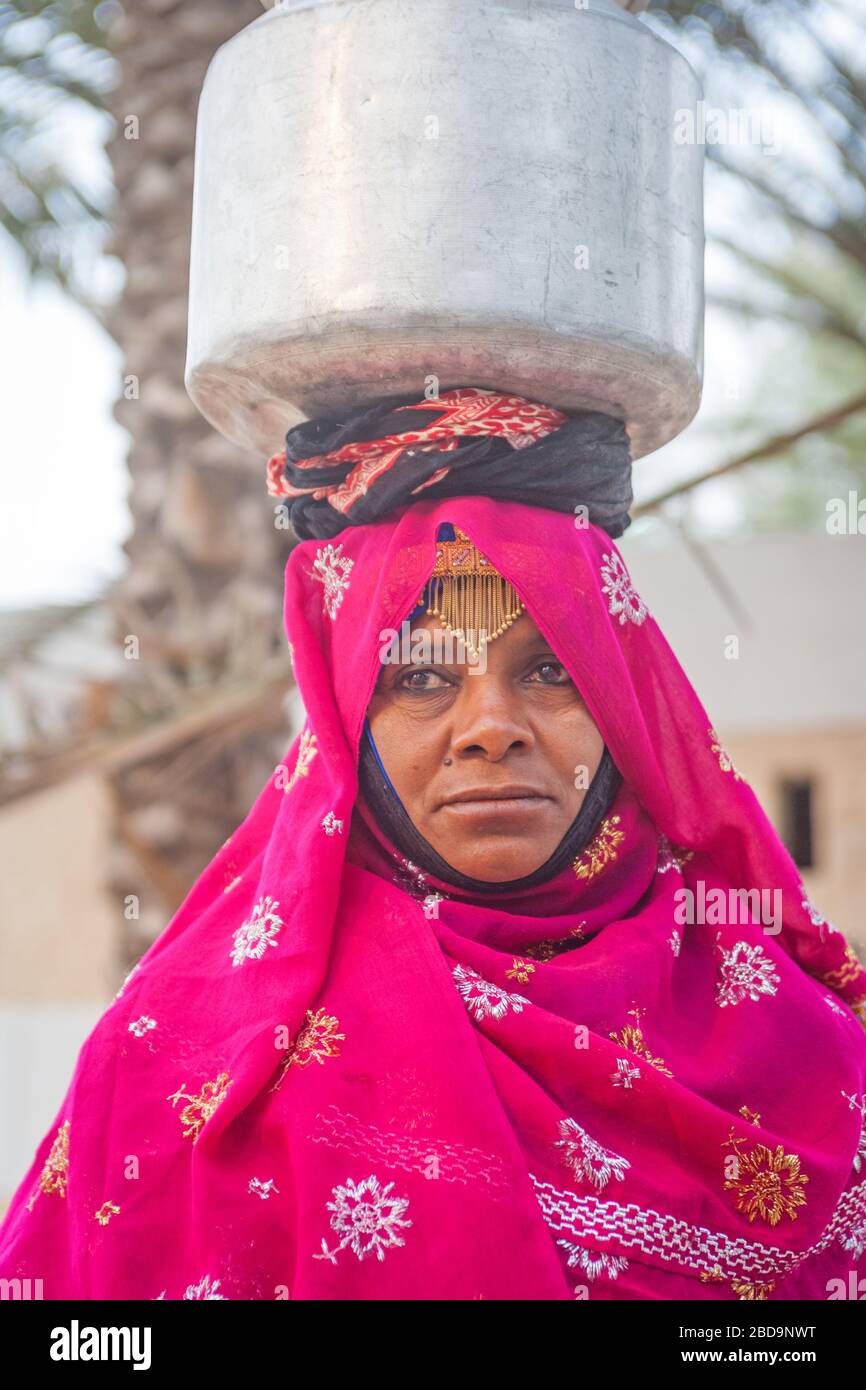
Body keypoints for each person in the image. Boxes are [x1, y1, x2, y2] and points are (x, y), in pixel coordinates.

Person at [1, 388, 865, 1301]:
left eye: (551, 669)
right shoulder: (176, 1074)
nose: (491, 728)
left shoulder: (809, 1046)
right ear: (346, 725)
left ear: (626, 707)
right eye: (419, 675)